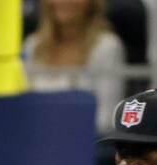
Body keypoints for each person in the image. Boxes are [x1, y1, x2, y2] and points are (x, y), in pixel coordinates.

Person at [24, 0, 125, 134]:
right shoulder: (32, 46)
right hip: (35, 138)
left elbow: (106, 118)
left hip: (87, 144)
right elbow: (22, 107)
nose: (65, 2)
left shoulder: (107, 46)